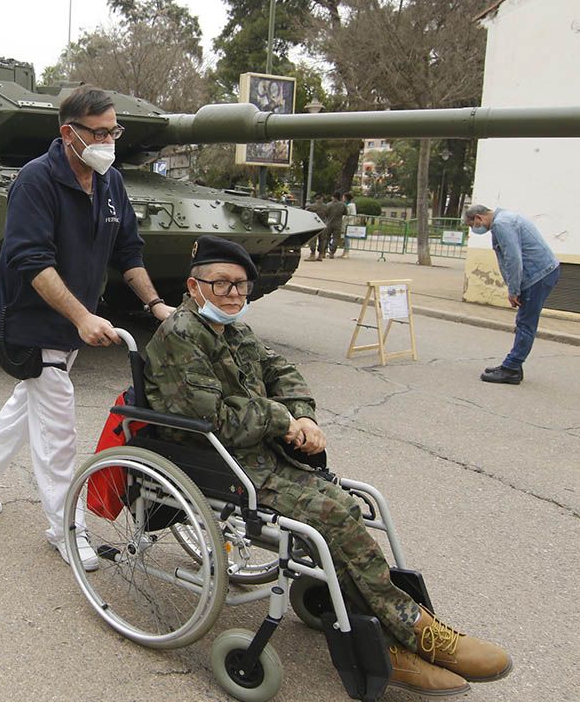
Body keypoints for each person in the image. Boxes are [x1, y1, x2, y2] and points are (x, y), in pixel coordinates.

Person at [144, 235, 512, 696]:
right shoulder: (182, 333)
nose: (235, 294)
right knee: (332, 514)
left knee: (346, 504)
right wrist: (282, 421)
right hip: (217, 460)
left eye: (242, 285)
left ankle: (395, 632)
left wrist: (303, 414)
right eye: (222, 284)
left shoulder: (233, 328)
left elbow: (281, 371)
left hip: (260, 455)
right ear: (194, 286)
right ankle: (407, 633)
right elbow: (209, 418)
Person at [0, 86, 175, 571]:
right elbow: (32, 261)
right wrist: (83, 316)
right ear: (67, 132)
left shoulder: (108, 180)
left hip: (72, 326)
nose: (109, 141)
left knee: (23, 408)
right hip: (35, 326)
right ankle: (65, 528)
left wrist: (155, 304)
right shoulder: (36, 181)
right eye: (98, 132)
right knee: (58, 431)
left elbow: (128, 251)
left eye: (114, 130)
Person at [464, 204, 561, 385]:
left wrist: (514, 290)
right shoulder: (505, 218)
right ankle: (513, 364)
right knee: (524, 320)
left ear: (478, 218)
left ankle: (511, 368)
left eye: (472, 225)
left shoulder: (502, 224)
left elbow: (513, 258)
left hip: (537, 275)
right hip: (543, 272)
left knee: (525, 322)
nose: (474, 229)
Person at [323, 191, 347, 259]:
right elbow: (345, 212)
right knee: (336, 238)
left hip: (329, 223)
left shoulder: (328, 205)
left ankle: (324, 252)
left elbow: (325, 213)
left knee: (326, 238)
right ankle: (332, 253)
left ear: (333, 197)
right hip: (338, 223)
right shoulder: (342, 205)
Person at [307, 195, 328, 260]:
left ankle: (312, 254)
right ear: (322, 199)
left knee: (313, 240)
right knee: (322, 240)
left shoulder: (311, 206)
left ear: (316, 199)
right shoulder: (326, 206)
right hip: (323, 224)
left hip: (314, 224)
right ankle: (320, 255)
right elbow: (328, 215)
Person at [341, 192, 357, 258]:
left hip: (348, 224)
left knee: (347, 238)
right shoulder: (346, 205)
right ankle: (344, 252)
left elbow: (353, 215)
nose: (342, 198)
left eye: (343, 197)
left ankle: (347, 252)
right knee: (345, 238)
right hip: (345, 224)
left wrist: (345, 218)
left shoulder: (351, 205)